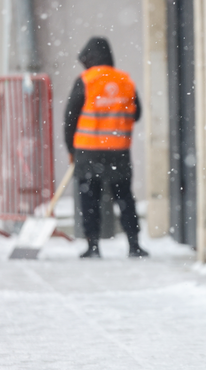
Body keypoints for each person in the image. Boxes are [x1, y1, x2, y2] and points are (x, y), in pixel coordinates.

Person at [64, 36, 149, 259]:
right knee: (124, 198)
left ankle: (93, 246)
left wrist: (70, 149)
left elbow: (70, 117)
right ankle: (134, 244)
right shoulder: (125, 80)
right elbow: (137, 113)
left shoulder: (86, 80)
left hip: (88, 150)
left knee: (89, 198)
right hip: (118, 150)